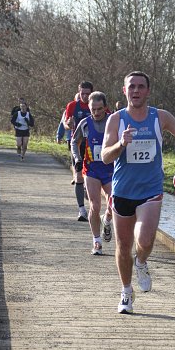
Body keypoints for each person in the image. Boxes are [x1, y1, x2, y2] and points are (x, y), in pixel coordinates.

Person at [101, 71, 175, 315]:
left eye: (141, 86)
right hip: (122, 191)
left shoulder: (160, 117)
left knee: (145, 241)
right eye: (132, 86)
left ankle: (141, 262)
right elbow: (105, 156)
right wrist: (121, 144)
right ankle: (126, 292)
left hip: (150, 190)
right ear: (124, 90)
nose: (136, 91)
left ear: (148, 91)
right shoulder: (116, 120)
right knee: (123, 246)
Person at [71, 91, 114, 255]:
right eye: (93, 109)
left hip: (110, 169)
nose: (96, 113)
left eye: (99, 109)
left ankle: (107, 219)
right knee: (95, 206)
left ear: (106, 107)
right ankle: (97, 241)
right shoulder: (85, 123)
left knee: (114, 204)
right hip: (92, 169)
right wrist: (77, 158)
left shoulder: (113, 121)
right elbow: (74, 142)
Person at [65, 82, 93, 221]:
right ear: (79, 92)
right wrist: (68, 124)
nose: (85, 96)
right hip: (77, 144)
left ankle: (90, 198)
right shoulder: (72, 106)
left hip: (94, 146)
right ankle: (82, 210)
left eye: (88, 94)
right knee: (78, 176)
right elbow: (66, 123)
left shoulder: (98, 104)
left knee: (92, 177)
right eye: (83, 93)